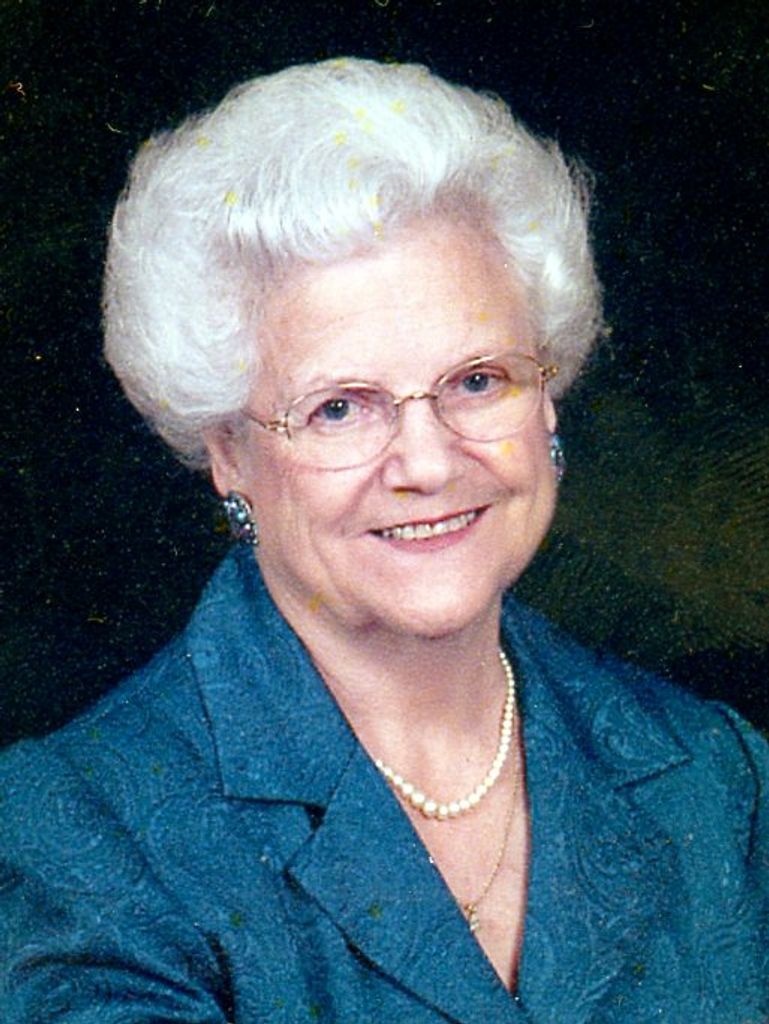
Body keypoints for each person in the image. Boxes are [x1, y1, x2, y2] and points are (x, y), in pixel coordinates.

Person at [0, 57, 766, 1024]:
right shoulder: (80, 833)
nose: (428, 463)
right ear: (228, 452)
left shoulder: (714, 775)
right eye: (340, 407)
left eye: (477, 381)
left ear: (549, 393)